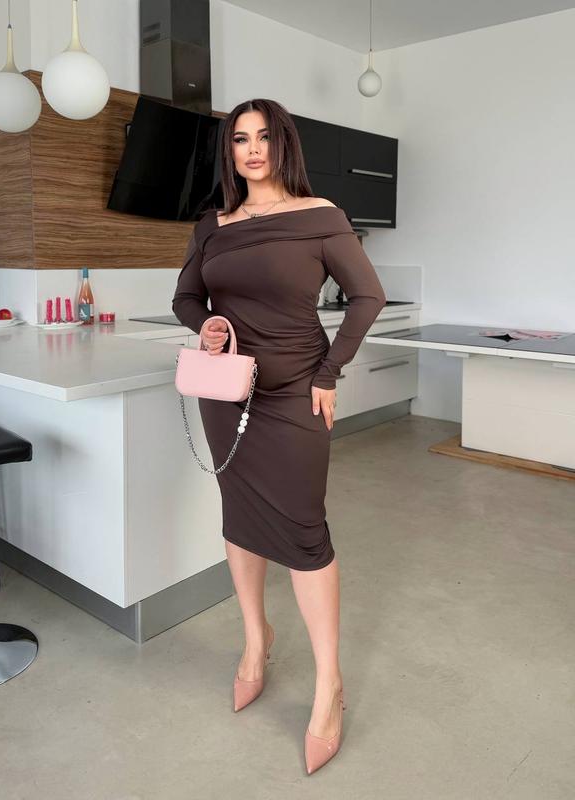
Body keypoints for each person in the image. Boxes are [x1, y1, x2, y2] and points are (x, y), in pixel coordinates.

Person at [172, 98, 386, 775]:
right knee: (240, 517)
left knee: (303, 532)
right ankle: (255, 640)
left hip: (295, 392)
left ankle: (330, 685)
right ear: (230, 152)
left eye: (264, 137)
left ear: (283, 145)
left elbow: (368, 296)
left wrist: (329, 372)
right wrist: (206, 325)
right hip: (229, 390)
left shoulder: (319, 216)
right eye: (240, 139)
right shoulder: (212, 225)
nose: (253, 149)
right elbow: (186, 298)